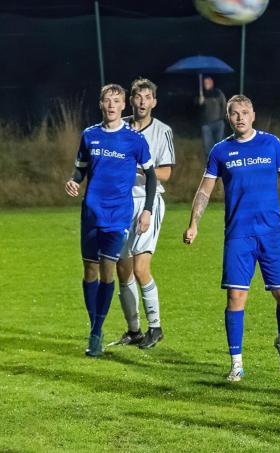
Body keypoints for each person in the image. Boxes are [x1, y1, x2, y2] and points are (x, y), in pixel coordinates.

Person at [183, 94, 280, 381]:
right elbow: (204, 191)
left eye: (245, 112)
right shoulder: (220, 151)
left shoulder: (271, 143)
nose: (240, 117)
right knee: (236, 297)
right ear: (228, 117)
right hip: (239, 235)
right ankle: (236, 362)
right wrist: (193, 224)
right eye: (234, 113)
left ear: (253, 114)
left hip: (271, 233)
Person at [65, 83, 156, 357]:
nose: (112, 105)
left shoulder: (134, 139)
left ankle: (96, 331)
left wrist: (148, 209)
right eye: (107, 101)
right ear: (101, 104)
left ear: (123, 106)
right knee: (89, 273)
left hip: (118, 217)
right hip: (91, 214)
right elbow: (80, 170)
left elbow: (151, 176)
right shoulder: (89, 135)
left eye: (117, 101)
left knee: (107, 273)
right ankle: (96, 328)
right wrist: (74, 182)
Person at [112, 78, 176, 349]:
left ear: (154, 102)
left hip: (147, 203)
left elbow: (166, 173)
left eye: (147, 97)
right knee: (122, 270)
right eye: (138, 96)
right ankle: (134, 330)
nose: (142, 101)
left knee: (140, 268)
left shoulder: (162, 131)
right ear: (132, 100)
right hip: (120, 203)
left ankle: (156, 327)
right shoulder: (118, 127)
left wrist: (140, 169)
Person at [198, 75, 227, 157]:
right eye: (204, 83)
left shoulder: (218, 93)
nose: (206, 84)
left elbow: (224, 105)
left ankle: (221, 164)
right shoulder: (201, 94)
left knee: (220, 146)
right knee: (208, 148)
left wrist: (222, 118)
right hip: (206, 125)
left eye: (208, 82)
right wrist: (199, 101)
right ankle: (210, 166)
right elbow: (195, 107)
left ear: (212, 83)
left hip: (219, 123)